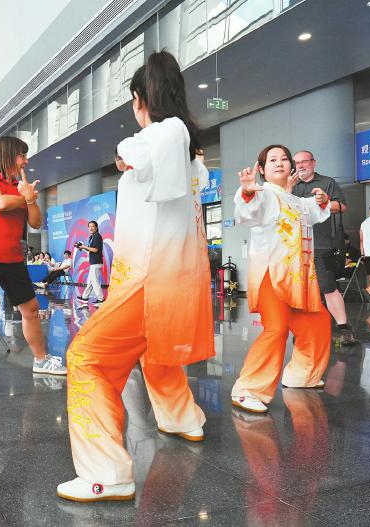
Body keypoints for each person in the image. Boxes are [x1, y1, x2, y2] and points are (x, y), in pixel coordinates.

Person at [57, 51, 214, 502]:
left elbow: (131, 150)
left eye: (134, 100)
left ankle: (105, 472)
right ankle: (183, 418)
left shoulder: (165, 133)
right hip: (169, 278)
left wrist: (126, 155)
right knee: (155, 350)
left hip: (148, 278)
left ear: (141, 99)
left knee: (86, 358)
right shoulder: (189, 154)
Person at [0, 136, 67, 396]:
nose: (26, 161)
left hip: (13, 258)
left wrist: (30, 200)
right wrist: (25, 197)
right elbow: (0, 203)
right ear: (8, 155)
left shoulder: (20, 186)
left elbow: (36, 222)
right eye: (22, 156)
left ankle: (40, 360)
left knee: (31, 309)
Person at [231, 145, 331, 414]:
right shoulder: (263, 194)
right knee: (276, 328)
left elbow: (317, 210)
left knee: (318, 322)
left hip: (299, 280)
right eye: (272, 160)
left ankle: (301, 375)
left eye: (284, 159)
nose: (279, 163)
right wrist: (248, 191)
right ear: (262, 170)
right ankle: (247, 390)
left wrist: (322, 198)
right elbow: (246, 212)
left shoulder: (296, 200)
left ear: (291, 167)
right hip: (270, 275)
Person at [291, 150, 356, 345]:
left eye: (304, 161)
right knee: (300, 290)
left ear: (313, 163)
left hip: (321, 245)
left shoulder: (327, 182)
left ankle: (344, 328)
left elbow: (342, 207)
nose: (300, 166)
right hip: (295, 247)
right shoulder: (290, 185)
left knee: (329, 288)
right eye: (297, 163)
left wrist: (326, 201)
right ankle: (303, 329)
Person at [75, 221, 104, 303]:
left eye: (93, 226)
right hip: (93, 262)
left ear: (96, 227)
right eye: (89, 226)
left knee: (95, 281)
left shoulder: (97, 236)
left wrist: (84, 247)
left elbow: (95, 250)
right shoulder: (92, 237)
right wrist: (82, 248)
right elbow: (90, 250)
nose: (91, 228)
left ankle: (100, 298)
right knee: (90, 281)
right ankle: (85, 297)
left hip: (96, 262)